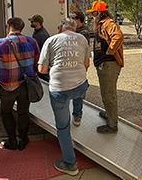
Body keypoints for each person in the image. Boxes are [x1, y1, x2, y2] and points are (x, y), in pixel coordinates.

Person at [38, 17, 90, 176]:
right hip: (81, 85)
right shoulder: (83, 39)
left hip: (60, 89)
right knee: (77, 93)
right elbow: (86, 64)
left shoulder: (51, 40)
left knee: (62, 127)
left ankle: (70, 164)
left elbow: (42, 69)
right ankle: (78, 116)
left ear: (61, 27)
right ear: (74, 28)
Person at [0, 17, 40, 151]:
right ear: (22, 28)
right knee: (23, 112)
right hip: (26, 84)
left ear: (8, 27)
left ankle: (12, 141)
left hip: (7, 86)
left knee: (6, 112)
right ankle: (23, 140)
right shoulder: (32, 41)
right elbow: (37, 61)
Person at [86, 0, 124, 134]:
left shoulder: (108, 23)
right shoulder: (102, 24)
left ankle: (112, 125)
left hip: (109, 64)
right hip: (104, 64)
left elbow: (118, 36)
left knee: (109, 94)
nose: (92, 17)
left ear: (98, 13)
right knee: (106, 93)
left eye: (93, 14)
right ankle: (109, 115)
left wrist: (109, 51)